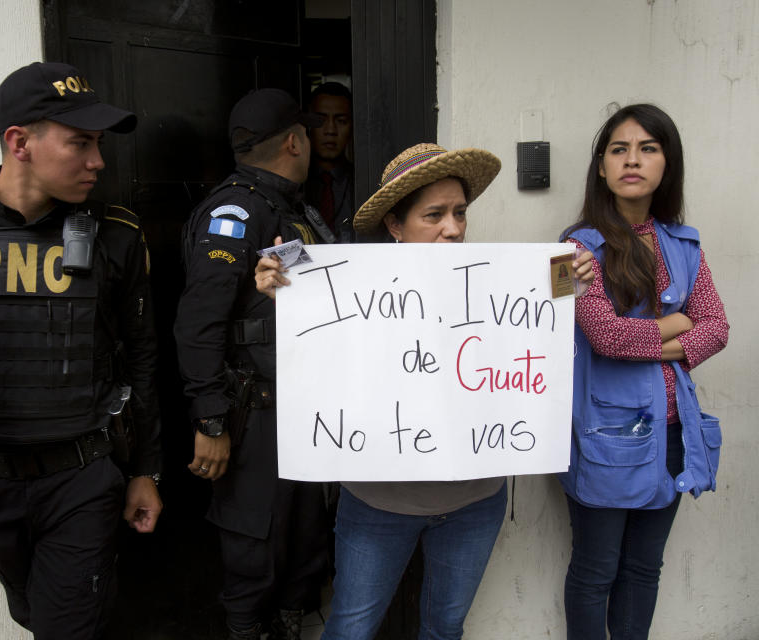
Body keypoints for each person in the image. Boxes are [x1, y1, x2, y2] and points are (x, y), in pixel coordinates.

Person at [255, 143, 595, 640]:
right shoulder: (353, 286)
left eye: (459, 212)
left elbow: (539, 316)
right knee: (351, 626)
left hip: (476, 502)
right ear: (395, 225)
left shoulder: (498, 281)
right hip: (377, 505)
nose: (453, 228)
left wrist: (574, 278)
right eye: (434, 214)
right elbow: (300, 287)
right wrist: (277, 280)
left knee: (445, 627)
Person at [0, 61, 163, 639]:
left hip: (83, 475)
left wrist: (147, 471)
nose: (97, 161)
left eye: (97, 144)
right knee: (32, 614)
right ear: (19, 142)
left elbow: (141, 358)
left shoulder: (117, 233)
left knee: (66, 627)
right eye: (80, 143)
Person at [558, 104, 728, 640]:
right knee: (595, 570)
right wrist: (678, 324)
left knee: (642, 569)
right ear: (601, 167)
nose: (633, 160)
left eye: (648, 148)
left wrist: (663, 336)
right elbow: (604, 337)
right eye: (619, 149)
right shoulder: (569, 251)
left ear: (666, 165)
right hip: (607, 437)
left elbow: (718, 327)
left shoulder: (684, 245)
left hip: (676, 432)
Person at [174, 88, 328, 640]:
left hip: (303, 411)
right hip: (253, 413)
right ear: (294, 140)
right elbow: (199, 325)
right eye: (308, 133)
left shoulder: (291, 207)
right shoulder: (234, 213)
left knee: (304, 543)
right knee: (253, 551)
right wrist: (210, 419)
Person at [303, 82, 354, 242]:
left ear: (352, 127)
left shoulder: (362, 183)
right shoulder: (297, 185)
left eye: (341, 121)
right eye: (320, 120)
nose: (330, 130)